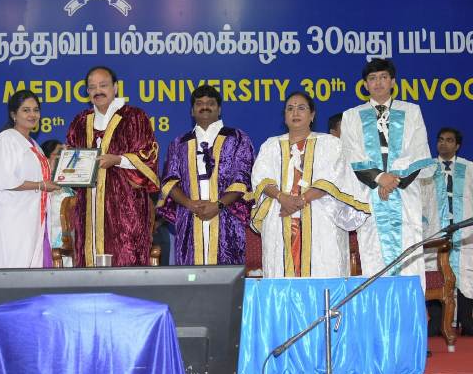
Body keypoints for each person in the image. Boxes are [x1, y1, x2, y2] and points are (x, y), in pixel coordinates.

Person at [250, 92, 370, 277]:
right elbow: (261, 178)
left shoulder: (329, 144)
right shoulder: (271, 145)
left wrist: (301, 199)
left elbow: (333, 177)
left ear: (312, 115)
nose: (295, 113)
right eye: (290, 109)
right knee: (280, 274)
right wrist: (282, 197)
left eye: (301, 108)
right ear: (284, 116)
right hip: (280, 217)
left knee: (323, 272)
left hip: (320, 218)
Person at [341, 59, 434, 285]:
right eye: (372, 79)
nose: (378, 83)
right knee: (373, 253)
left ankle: (409, 305)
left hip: (405, 193)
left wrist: (393, 181)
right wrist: (379, 178)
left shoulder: (411, 111)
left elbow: (418, 150)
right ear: (365, 85)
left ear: (393, 81)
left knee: (409, 252)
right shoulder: (352, 115)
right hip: (370, 193)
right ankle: (379, 306)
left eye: (383, 77)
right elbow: (350, 153)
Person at [66, 66, 159, 267]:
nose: (98, 91)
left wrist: (117, 160)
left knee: (125, 261)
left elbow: (148, 155)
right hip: (88, 209)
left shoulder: (134, 118)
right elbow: (72, 162)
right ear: (87, 92)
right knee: (88, 263)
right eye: (92, 87)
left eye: (103, 85)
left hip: (125, 209)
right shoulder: (80, 122)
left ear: (115, 88)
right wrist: (67, 167)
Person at [157, 84, 254, 265]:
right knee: (191, 276)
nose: (205, 107)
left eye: (210, 103)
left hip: (226, 218)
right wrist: (189, 204)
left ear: (219, 109)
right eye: (199, 103)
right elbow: (169, 182)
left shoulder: (238, 138)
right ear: (192, 111)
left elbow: (242, 179)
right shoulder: (179, 143)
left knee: (227, 276)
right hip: (190, 219)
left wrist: (218, 205)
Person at [0, 90, 60, 268]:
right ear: (13, 114)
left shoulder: (34, 144)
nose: (32, 115)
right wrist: (41, 185)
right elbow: (3, 179)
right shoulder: (5, 139)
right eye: (26, 110)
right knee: (12, 268)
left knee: (30, 270)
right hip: (11, 219)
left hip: (31, 217)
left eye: (36, 110)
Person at [421, 128, 473, 335]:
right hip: (435, 229)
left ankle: (466, 321)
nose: (444, 144)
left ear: (457, 145)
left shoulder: (469, 168)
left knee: (465, 273)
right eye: (441, 139)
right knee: (435, 272)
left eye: (449, 140)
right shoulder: (427, 169)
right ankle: (435, 323)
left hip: (464, 233)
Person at [40, 139, 75, 266]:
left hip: (73, 248)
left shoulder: (70, 188)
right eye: (59, 155)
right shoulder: (40, 188)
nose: (63, 159)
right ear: (45, 159)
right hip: (52, 251)